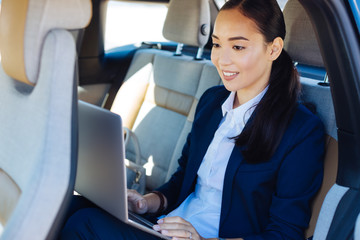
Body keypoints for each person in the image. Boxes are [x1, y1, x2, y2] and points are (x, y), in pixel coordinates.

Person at [61, 0, 325, 239]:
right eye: (217, 43)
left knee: (86, 224)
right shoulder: (212, 102)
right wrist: (147, 202)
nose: (221, 58)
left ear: (274, 49)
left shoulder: (301, 131)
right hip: (166, 226)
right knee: (67, 206)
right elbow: (182, 180)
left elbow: (285, 235)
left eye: (238, 46)